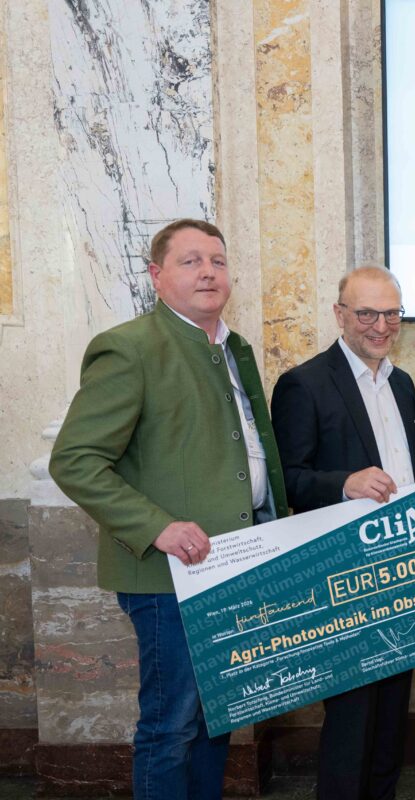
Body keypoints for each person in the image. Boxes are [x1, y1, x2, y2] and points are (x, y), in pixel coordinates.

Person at [48, 219, 289, 799]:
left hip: (236, 565)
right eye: (190, 261)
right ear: (157, 276)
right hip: (168, 578)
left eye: (218, 261)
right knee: (170, 726)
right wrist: (157, 527)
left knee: (216, 719)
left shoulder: (233, 349)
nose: (208, 272)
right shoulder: (129, 348)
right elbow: (75, 460)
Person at [270, 265, 415, 800]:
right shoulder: (303, 384)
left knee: (392, 717)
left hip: (403, 571)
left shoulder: (402, 383)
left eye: (391, 314)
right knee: (351, 719)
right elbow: (285, 478)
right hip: (344, 577)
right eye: (367, 313)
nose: (381, 326)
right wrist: (344, 483)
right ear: (339, 314)